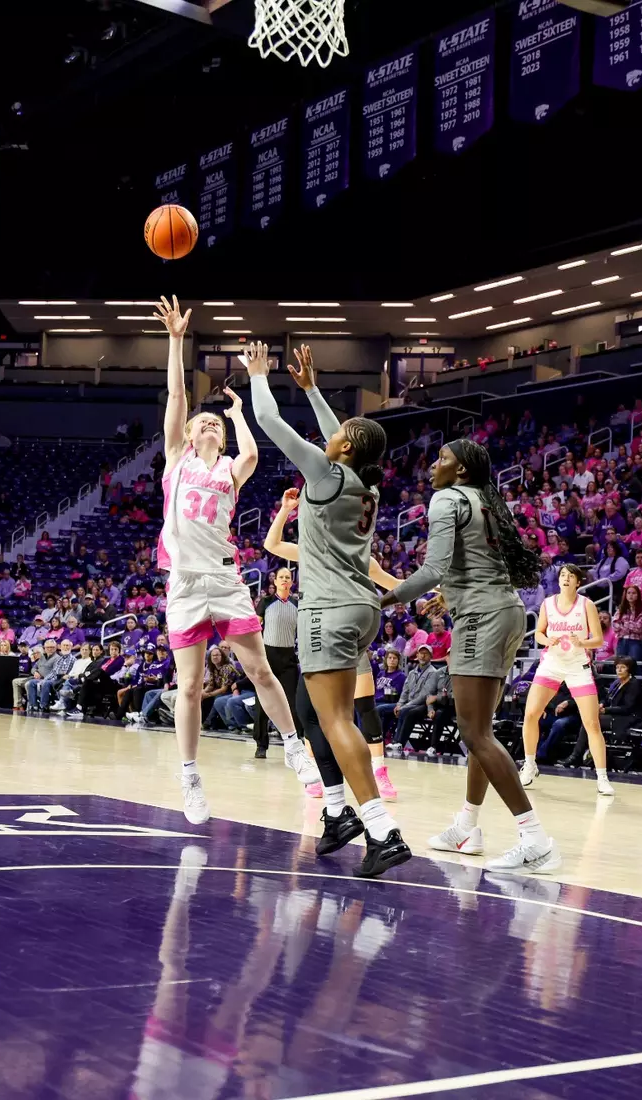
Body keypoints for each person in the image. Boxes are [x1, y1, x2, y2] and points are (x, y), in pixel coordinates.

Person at [244, 335, 409, 877]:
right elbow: (341, 437)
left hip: (329, 609)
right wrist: (313, 390)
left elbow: (268, 419)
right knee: (318, 714)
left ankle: (382, 831)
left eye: (337, 431)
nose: (330, 430)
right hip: (360, 610)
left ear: (343, 447)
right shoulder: (363, 484)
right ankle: (338, 812)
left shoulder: (325, 472)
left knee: (336, 720)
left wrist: (259, 372)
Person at [153, 300, 313, 824]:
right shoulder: (176, 458)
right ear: (189, 433)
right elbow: (178, 395)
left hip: (224, 577)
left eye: (214, 426)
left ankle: (292, 745)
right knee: (192, 686)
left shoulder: (230, 470)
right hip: (183, 582)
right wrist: (177, 340)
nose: (209, 427)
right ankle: (189, 776)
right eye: (206, 423)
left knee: (260, 669)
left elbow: (253, 455)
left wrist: (239, 414)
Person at [383, 438, 560, 872]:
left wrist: (384, 600)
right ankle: (467, 825)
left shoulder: (446, 498)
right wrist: (453, 593)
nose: (432, 466)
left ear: (460, 470)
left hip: (482, 617)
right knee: (478, 731)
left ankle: (535, 838)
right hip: (507, 610)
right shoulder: (486, 498)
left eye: (442, 459)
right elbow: (475, 565)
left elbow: (433, 569)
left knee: (475, 733)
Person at [266, 487, 401, 799]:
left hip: (349, 636)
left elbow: (394, 584)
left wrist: (435, 589)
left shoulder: (361, 558)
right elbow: (271, 544)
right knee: (311, 710)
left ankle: (379, 771)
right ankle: (317, 770)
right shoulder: (313, 551)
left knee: (364, 705)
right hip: (316, 636)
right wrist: (286, 508)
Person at [519, 564, 613, 796]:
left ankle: (602, 777)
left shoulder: (586, 605)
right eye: (562, 575)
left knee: (591, 723)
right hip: (551, 664)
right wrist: (546, 639)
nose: (566, 579)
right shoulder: (548, 603)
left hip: (577, 666)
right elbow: (539, 633)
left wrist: (583, 643)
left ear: (578, 582)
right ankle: (530, 764)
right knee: (531, 714)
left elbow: (599, 640)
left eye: (571, 576)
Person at [253, 566, 300, 761]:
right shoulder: (265, 602)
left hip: (288, 657)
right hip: (268, 655)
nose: (284, 580)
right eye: (281, 577)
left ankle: (297, 744)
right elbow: (255, 629)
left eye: (287, 577)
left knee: (293, 702)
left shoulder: (298, 604)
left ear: (291, 582)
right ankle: (261, 745)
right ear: (275, 581)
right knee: (263, 702)